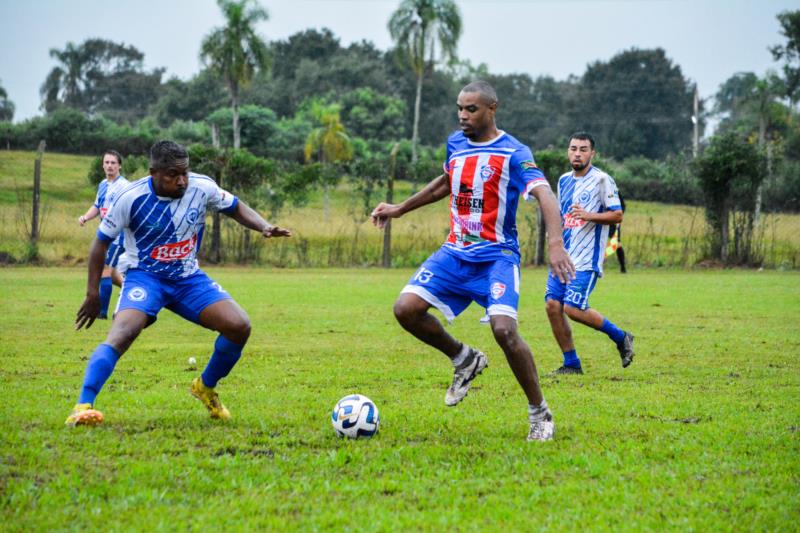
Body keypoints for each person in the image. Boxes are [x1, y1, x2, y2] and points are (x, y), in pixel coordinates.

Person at [371, 81, 575, 441]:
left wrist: (556, 245)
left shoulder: (514, 152)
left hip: (498, 256)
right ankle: (464, 358)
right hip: (455, 252)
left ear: (492, 109)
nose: (463, 116)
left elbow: (545, 194)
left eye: (472, 109)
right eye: (460, 109)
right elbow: (445, 183)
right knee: (405, 309)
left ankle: (539, 412)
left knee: (504, 331)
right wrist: (400, 208)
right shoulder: (456, 143)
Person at [66, 140, 291, 427]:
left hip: (188, 278)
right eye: (173, 174)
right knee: (123, 333)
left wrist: (264, 226)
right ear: (154, 173)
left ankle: (205, 386)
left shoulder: (201, 187)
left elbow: (235, 206)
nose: (182, 180)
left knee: (239, 326)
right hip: (145, 277)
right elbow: (99, 246)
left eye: (185, 172)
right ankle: (83, 405)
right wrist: (92, 293)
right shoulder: (130, 197)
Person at [545, 132, 635, 375]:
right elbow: (563, 216)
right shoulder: (563, 180)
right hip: (563, 257)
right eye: (573, 148)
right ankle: (571, 364)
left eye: (583, 149)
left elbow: (617, 215)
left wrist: (589, 215)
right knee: (553, 306)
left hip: (586, 258)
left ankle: (621, 337)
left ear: (592, 153)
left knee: (572, 308)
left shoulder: (602, 180)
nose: (577, 153)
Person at [78, 150, 130, 319]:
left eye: (113, 163)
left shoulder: (125, 186)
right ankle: (134, 292)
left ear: (119, 165)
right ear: (103, 165)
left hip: (118, 236)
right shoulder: (102, 185)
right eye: (107, 162)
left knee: (104, 270)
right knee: (113, 275)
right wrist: (85, 217)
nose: (109, 166)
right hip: (105, 236)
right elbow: (97, 206)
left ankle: (101, 313)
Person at [605, 193, 627, 273]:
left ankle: (623, 267)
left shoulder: (615, 191)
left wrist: (618, 218)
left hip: (613, 222)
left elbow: (623, 206)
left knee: (617, 243)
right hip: (600, 219)